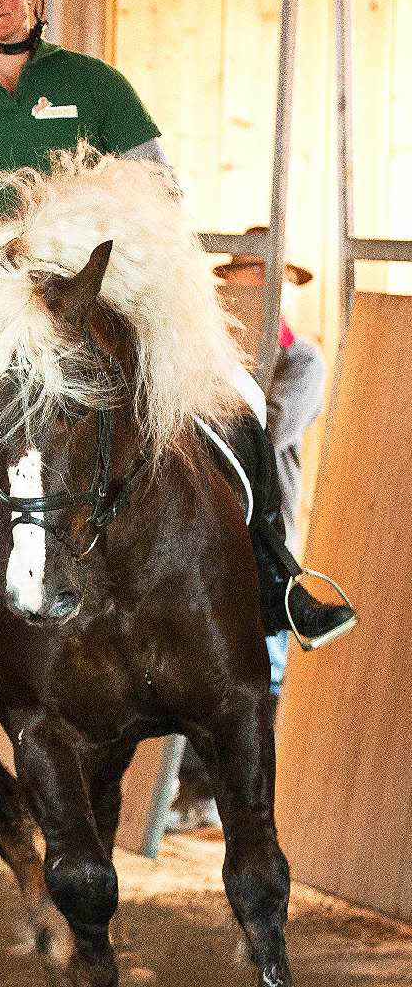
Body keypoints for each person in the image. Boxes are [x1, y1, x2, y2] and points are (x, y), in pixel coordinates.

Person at [0, 0, 356, 704]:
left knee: (236, 398)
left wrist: (87, 225)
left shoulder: (95, 82)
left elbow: (161, 186)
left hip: (102, 282)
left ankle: (277, 580)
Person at [166, 234, 339, 832]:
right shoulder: (199, 357)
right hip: (195, 527)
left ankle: (231, 797)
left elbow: (272, 424)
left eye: (272, 280)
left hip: (262, 528)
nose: (262, 288)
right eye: (249, 277)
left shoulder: (302, 361)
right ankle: (186, 790)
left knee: (260, 667)